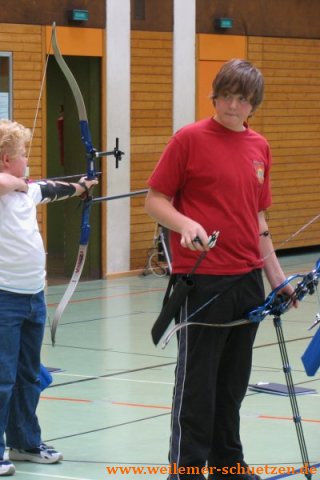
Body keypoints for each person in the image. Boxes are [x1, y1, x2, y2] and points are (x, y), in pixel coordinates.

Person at [145, 59, 294, 480]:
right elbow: (155, 199)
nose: (232, 105)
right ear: (214, 97)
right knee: (197, 390)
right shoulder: (188, 140)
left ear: (253, 105)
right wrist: (185, 223)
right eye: (226, 96)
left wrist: (277, 279)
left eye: (242, 99)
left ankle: (228, 467)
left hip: (247, 282)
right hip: (202, 282)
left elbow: (257, 220)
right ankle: (187, 471)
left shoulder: (259, 147)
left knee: (231, 388)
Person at [0, 119, 98, 476]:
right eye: (22, 154)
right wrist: (26, 184)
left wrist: (81, 187)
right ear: (6, 159)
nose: (27, 160)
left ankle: (24, 442)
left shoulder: (26, 190)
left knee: (26, 377)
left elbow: (52, 189)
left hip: (31, 296)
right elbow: (2, 184)